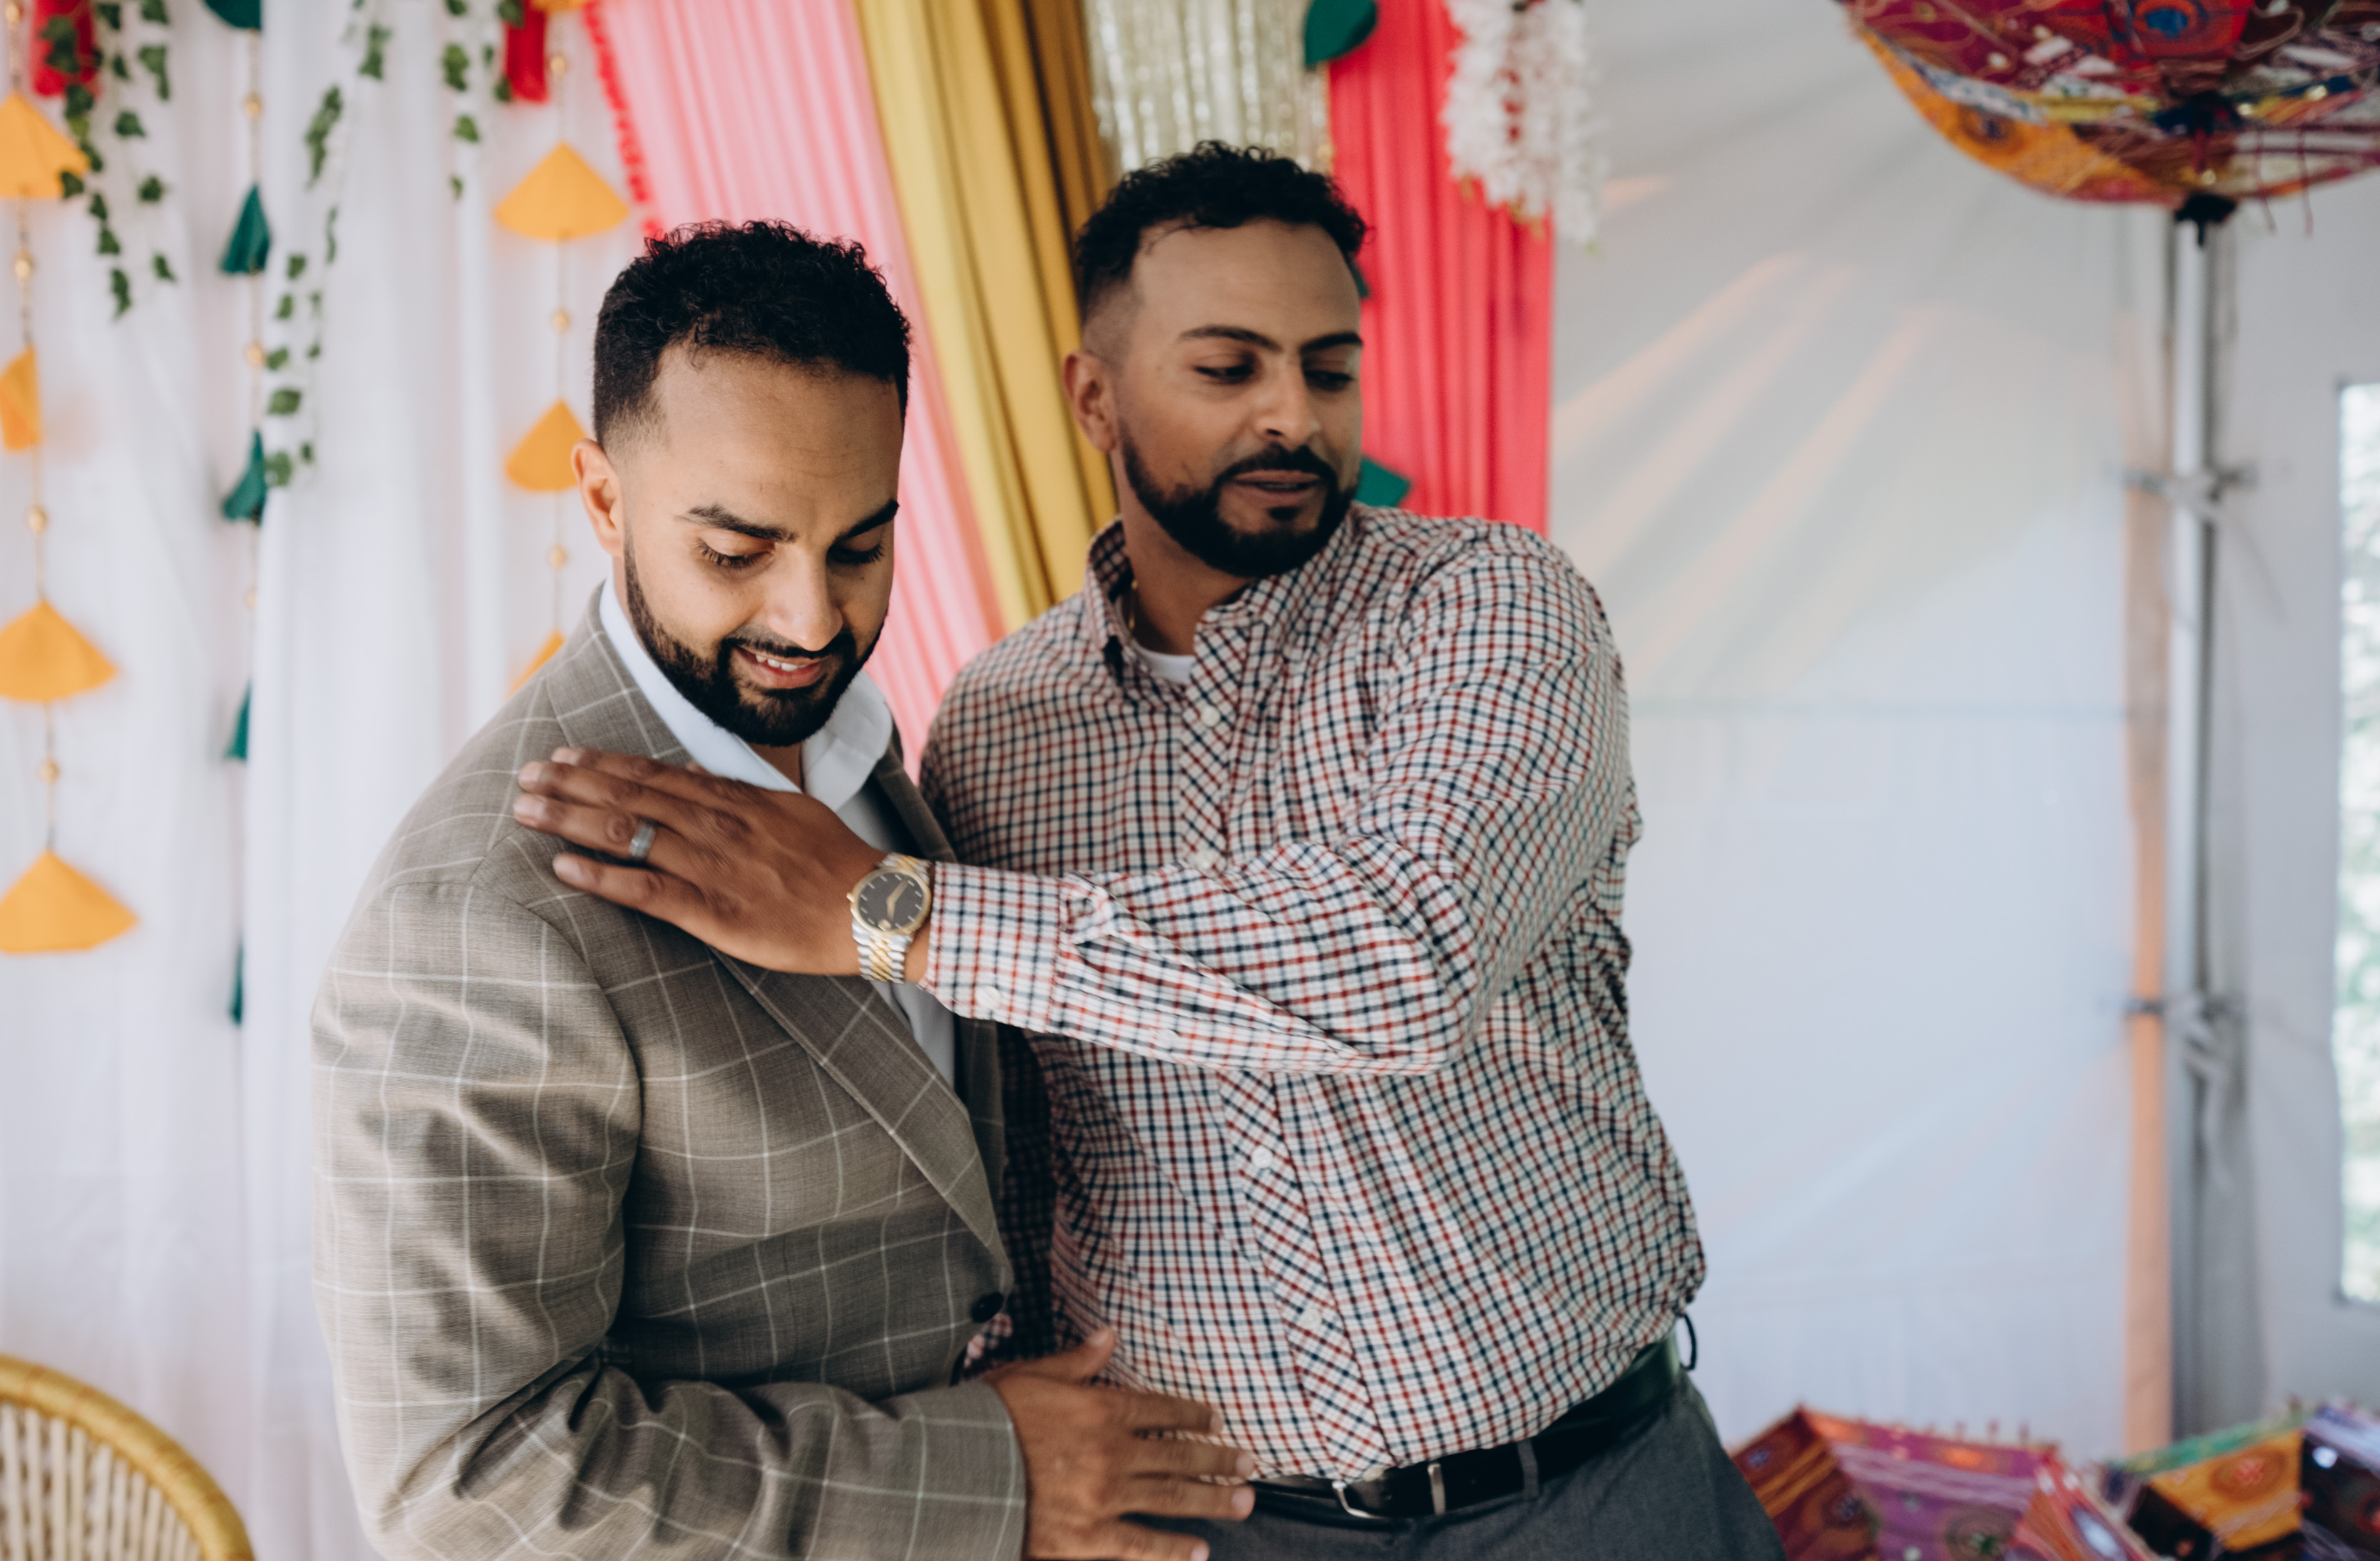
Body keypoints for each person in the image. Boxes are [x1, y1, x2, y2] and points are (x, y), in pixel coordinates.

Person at [513, 148, 1785, 1557]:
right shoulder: (996, 726)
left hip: (1591, 1494)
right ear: (1094, 396)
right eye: (1228, 368)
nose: (1292, 414)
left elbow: (1407, 959)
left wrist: (891, 917)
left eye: (1328, 367)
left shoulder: (1490, 610)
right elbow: (1019, 1139)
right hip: (1209, 1524)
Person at [313, 221, 1259, 1561]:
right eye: (735, 551)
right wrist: (991, 1477)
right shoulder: (478, 912)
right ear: (602, 499)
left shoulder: (879, 762)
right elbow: (471, 1487)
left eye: (859, 548)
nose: (811, 623)